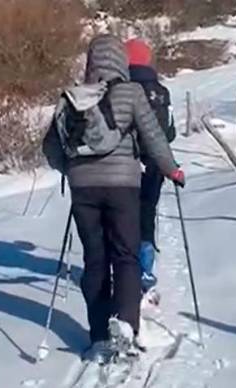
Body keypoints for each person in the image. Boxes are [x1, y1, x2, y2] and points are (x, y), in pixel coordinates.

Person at [43, 34, 185, 361]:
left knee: (95, 259)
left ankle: (98, 336)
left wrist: (72, 168)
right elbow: (154, 138)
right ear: (121, 60)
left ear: (90, 61)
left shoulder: (70, 98)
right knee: (125, 256)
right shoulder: (131, 93)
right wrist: (172, 170)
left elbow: (50, 148)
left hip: (83, 191)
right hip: (123, 187)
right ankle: (126, 324)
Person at [125, 39, 176, 294]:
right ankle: (145, 268)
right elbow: (171, 133)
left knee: (122, 216)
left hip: (125, 163)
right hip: (155, 163)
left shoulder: (119, 90)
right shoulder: (162, 92)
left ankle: (123, 268)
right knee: (147, 213)